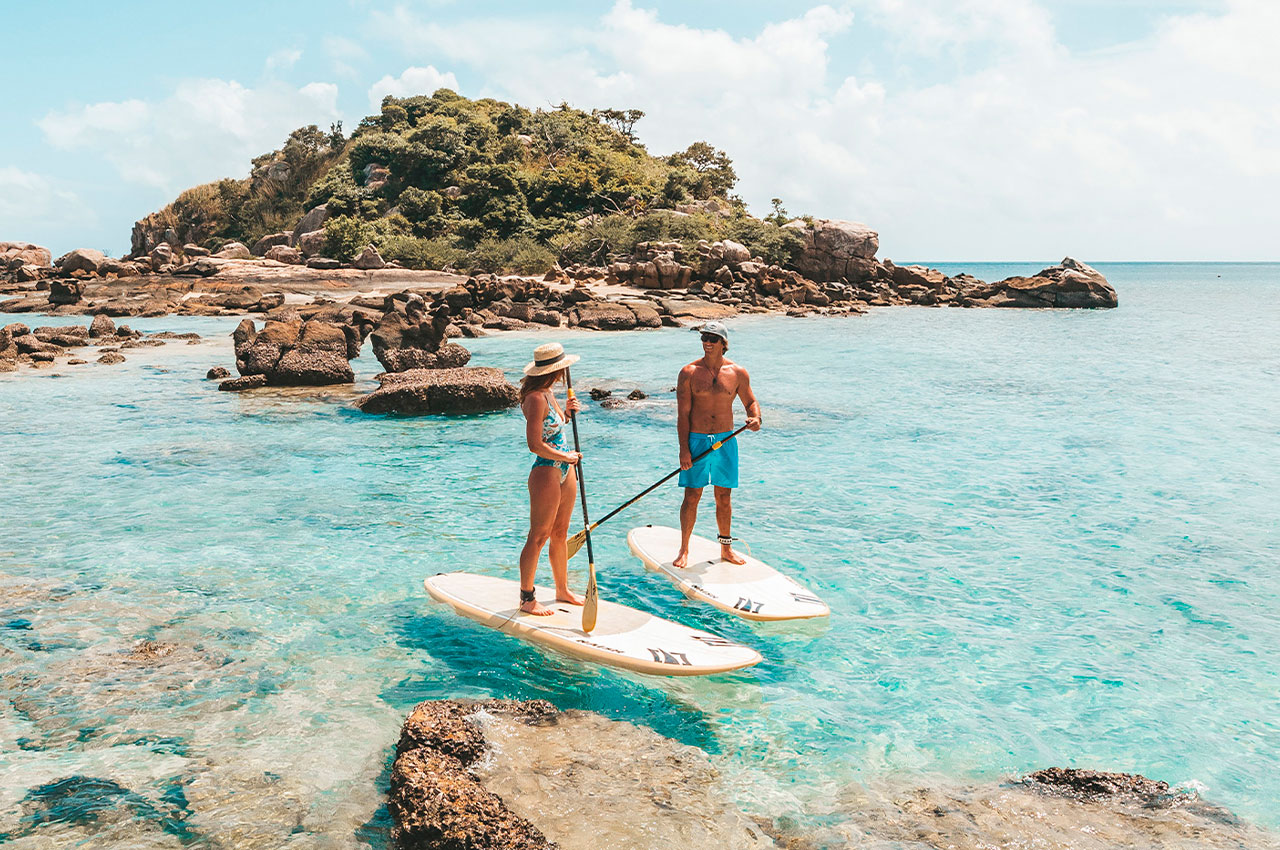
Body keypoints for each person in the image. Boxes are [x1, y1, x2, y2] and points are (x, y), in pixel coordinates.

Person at [674, 321, 762, 568]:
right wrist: (684, 449)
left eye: (713, 339)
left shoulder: (738, 373)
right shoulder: (688, 372)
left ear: (724, 343)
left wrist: (756, 418)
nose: (707, 343)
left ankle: (726, 549)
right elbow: (683, 415)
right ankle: (683, 549)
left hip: (726, 441)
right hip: (697, 440)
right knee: (692, 496)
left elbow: (751, 402)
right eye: (704, 338)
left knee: (724, 497)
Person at [517, 342, 587, 615]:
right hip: (547, 469)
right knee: (539, 535)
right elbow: (534, 444)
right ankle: (526, 598)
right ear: (553, 370)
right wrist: (566, 457)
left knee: (560, 533)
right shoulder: (535, 398)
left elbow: (554, 428)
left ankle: (562, 589)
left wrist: (567, 414)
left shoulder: (548, 392)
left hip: (565, 468)